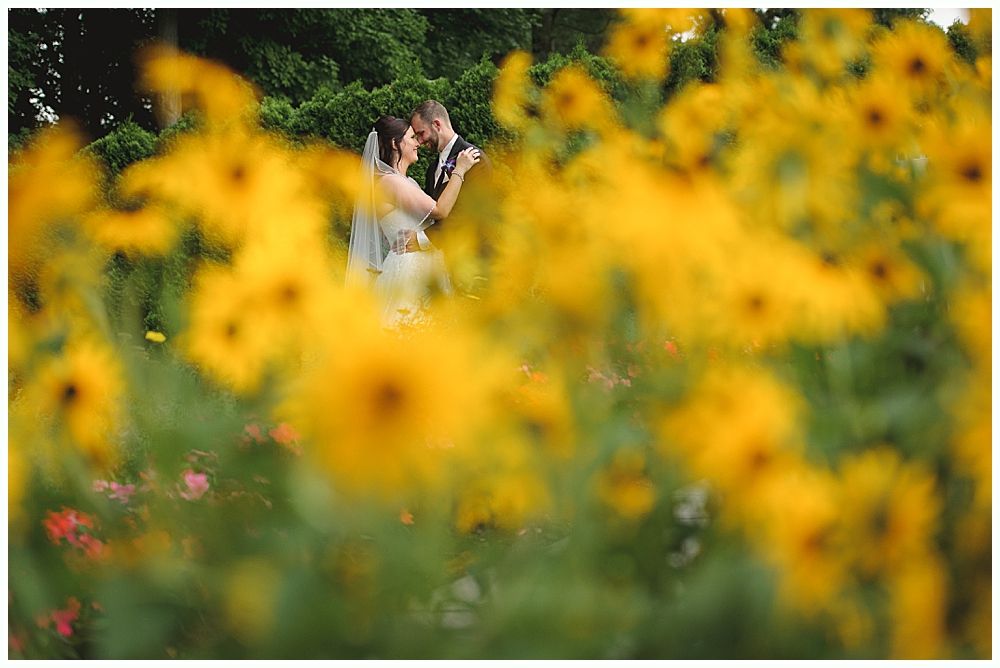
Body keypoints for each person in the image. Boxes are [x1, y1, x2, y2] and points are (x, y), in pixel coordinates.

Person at [346, 115, 481, 327]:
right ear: (394, 143)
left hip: (421, 264)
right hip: (408, 268)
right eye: (411, 137)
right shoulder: (391, 183)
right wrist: (460, 170)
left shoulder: (405, 182)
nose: (417, 142)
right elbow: (440, 210)